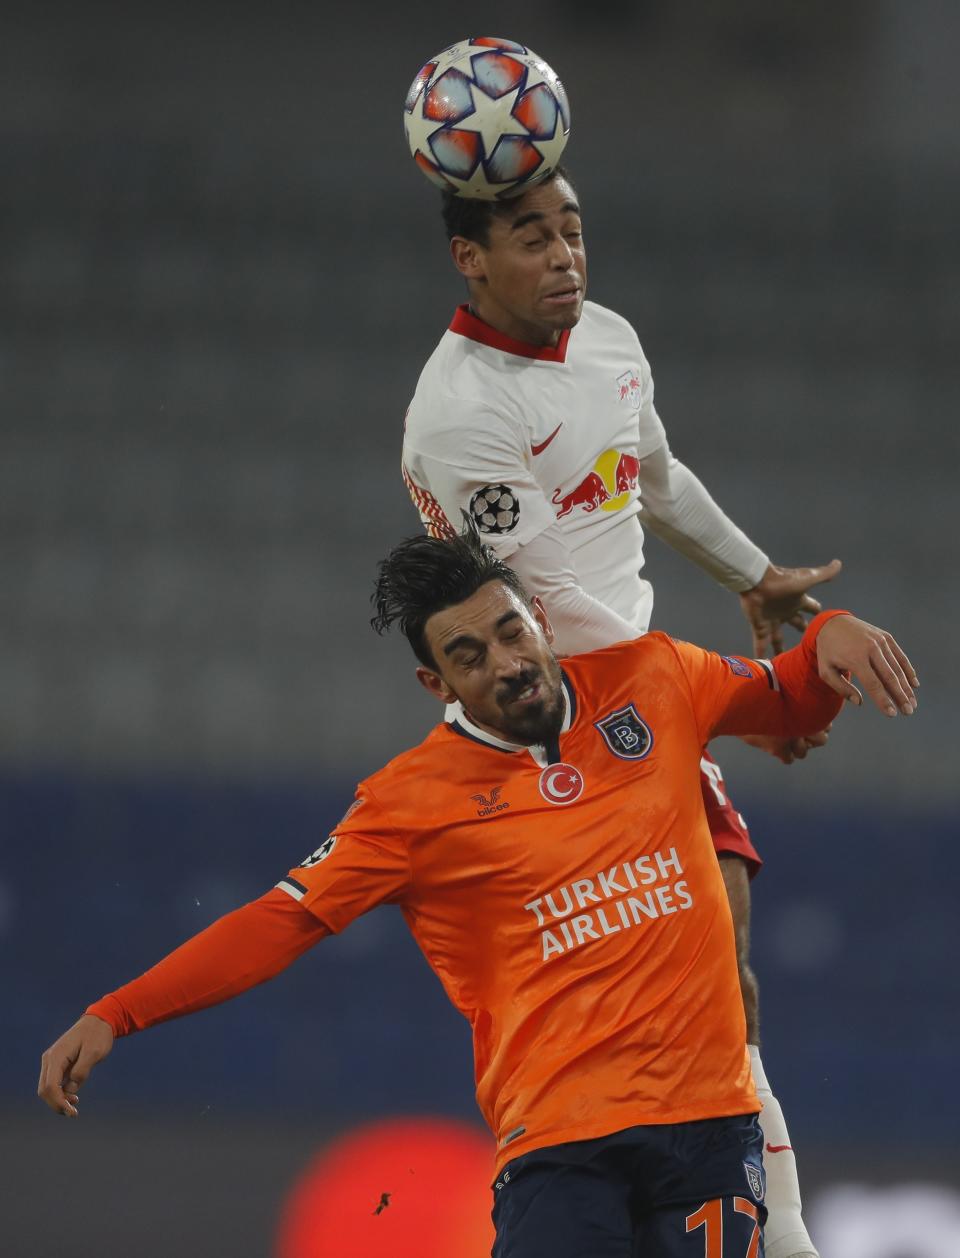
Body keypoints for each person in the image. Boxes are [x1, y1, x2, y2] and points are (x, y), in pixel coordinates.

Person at [39, 529, 918, 1258]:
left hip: (710, 1131)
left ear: (538, 618)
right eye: (468, 655)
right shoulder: (408, 804)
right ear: (438, 683)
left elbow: (790, 704)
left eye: (509, 632)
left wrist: (828, 637)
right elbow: (282, 921)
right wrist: (119, 1012)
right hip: (562, 1151)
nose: (505, 663)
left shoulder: (653, 677)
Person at [401, 165, 842, 1258]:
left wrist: (753, 573)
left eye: (573, 232)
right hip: (565, 726)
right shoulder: (460, 414)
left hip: (645, 703)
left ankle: (775, 1235)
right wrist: (731, 706)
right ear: (470, 257)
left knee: (722, 987)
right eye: (534, 239)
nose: (565, 257)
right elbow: (544, 617)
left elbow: (652, 474)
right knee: (641, 1020)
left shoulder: (609, 341)